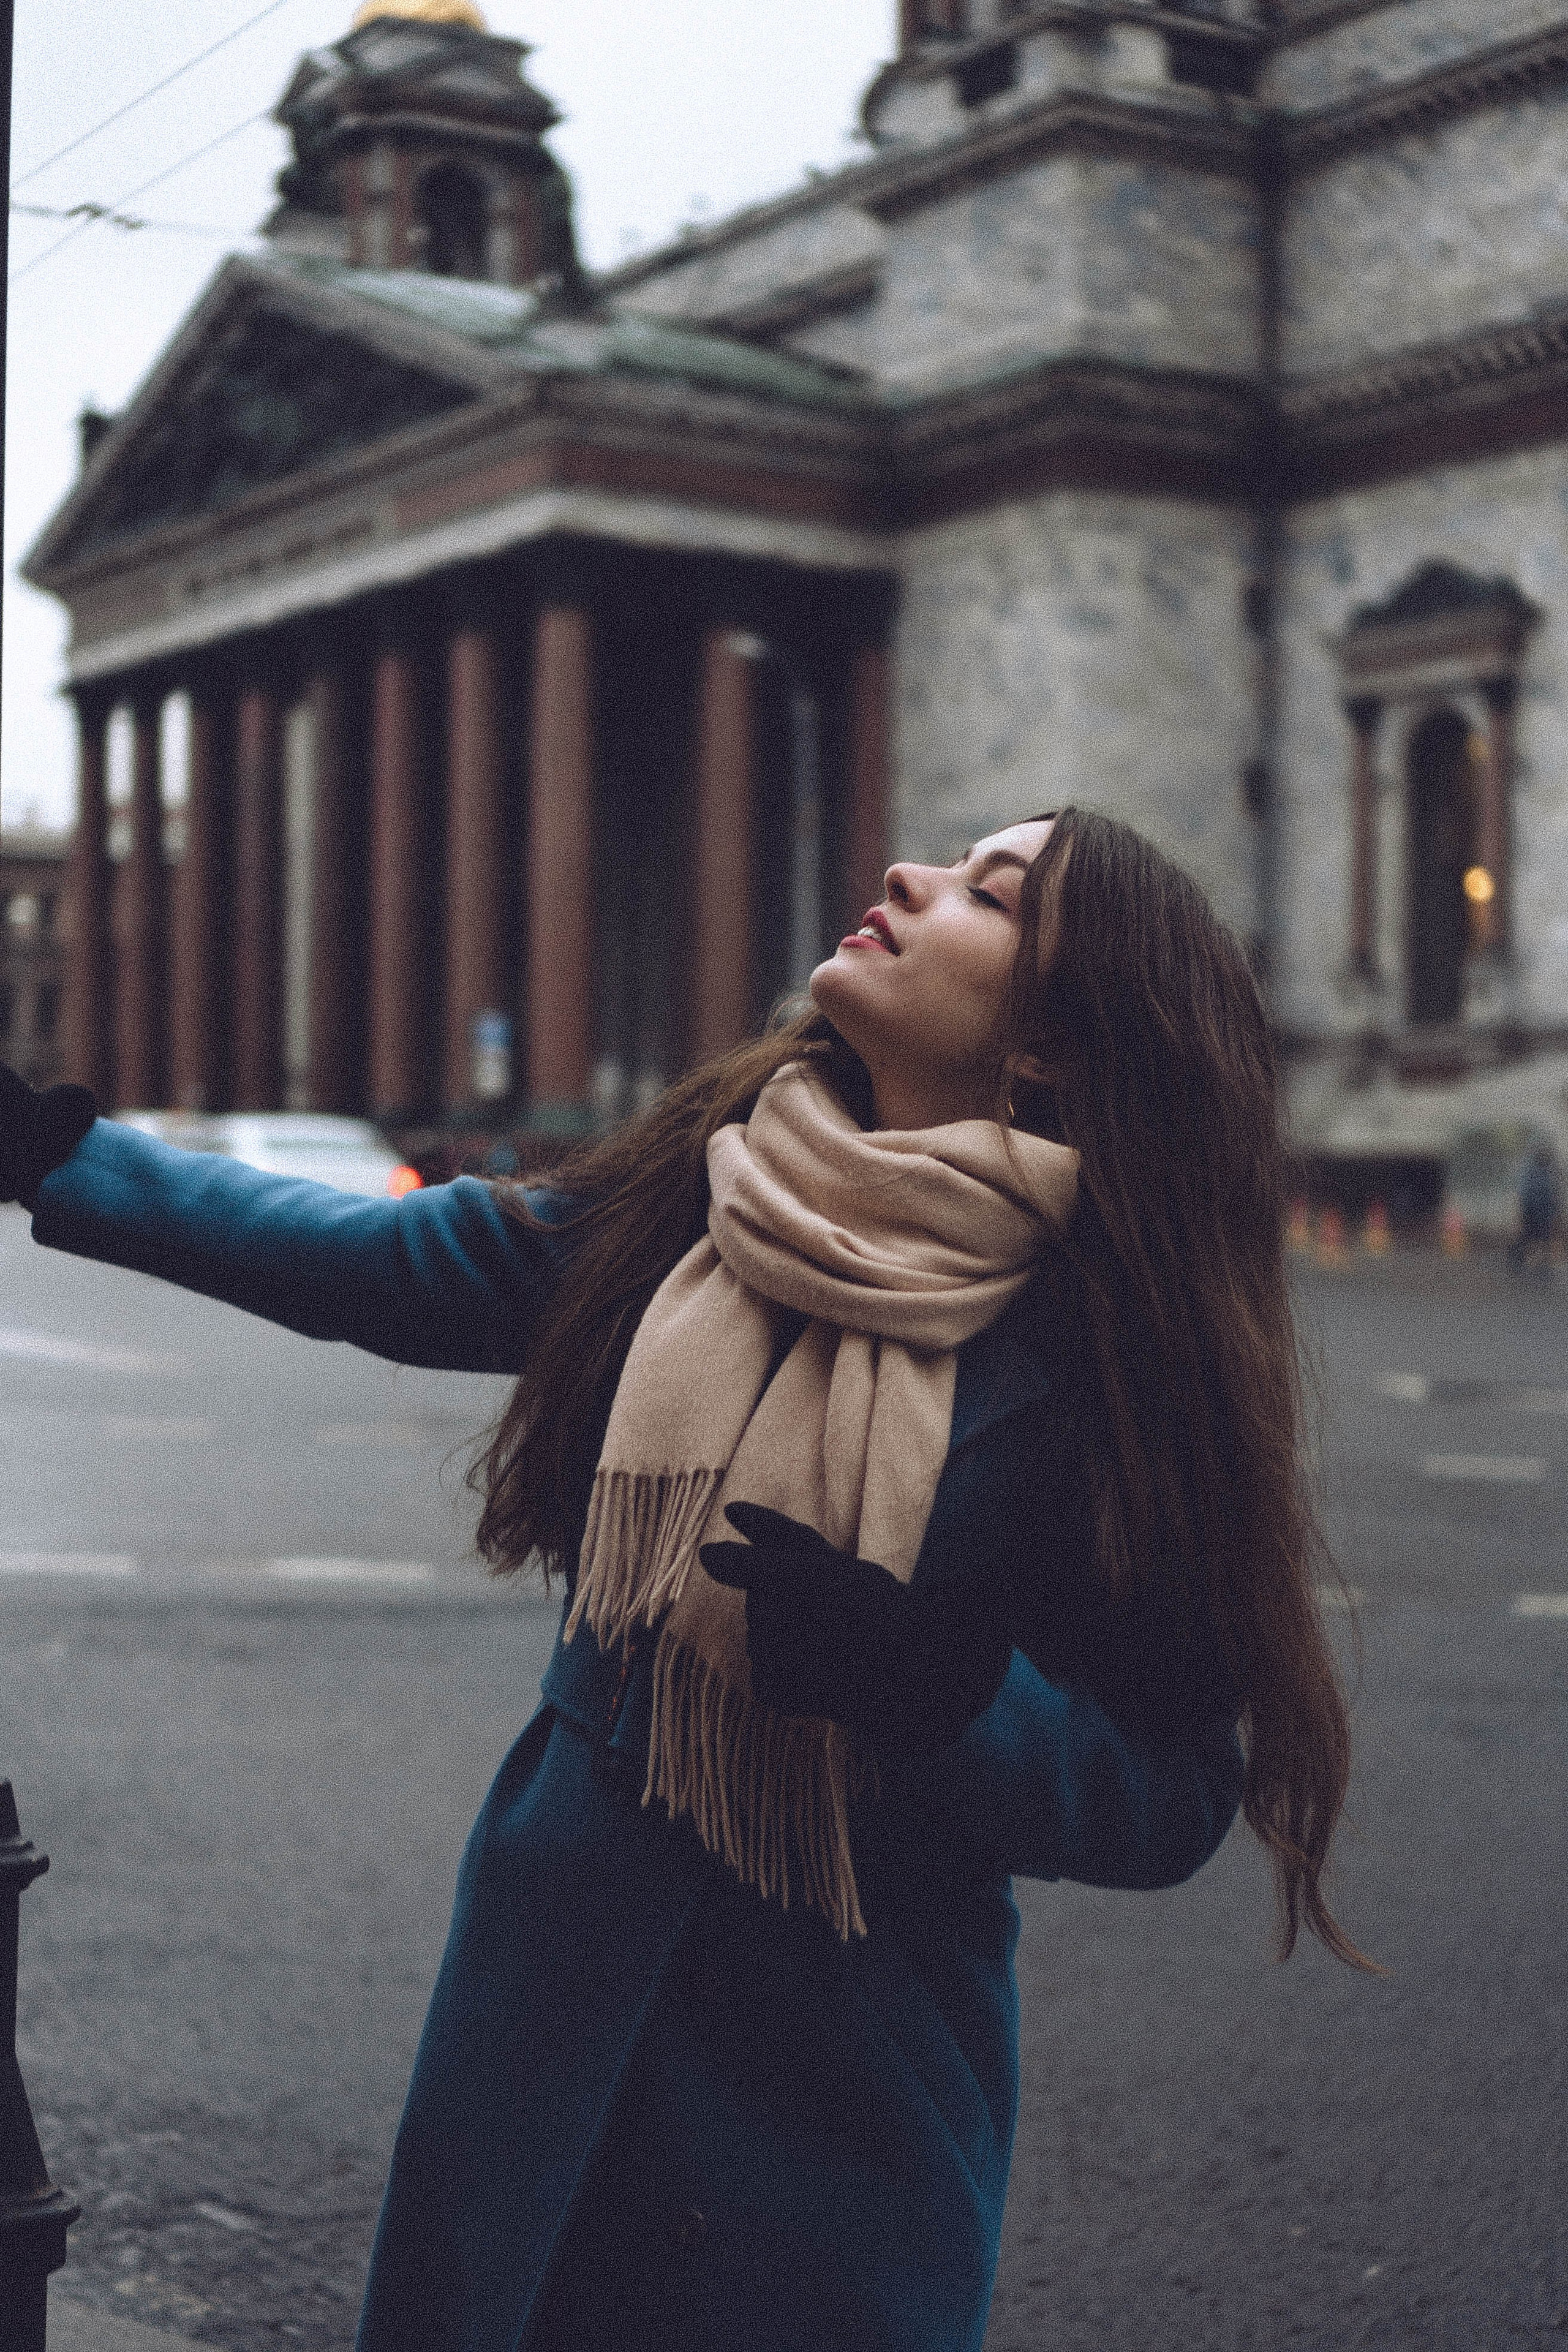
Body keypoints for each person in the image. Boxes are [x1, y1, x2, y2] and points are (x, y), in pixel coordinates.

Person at [0, 807, 1368, 2352]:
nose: (911, 877)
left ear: (1054, 1039)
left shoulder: (1111, 1356)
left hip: (844, 2060)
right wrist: (62, 1154)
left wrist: (951, 1693)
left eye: (993, 893)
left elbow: (1172, 1790)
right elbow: (391, 1264)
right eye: (946, 857)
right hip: (547, 1992)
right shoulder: (701, 1193)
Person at [1509, 1141, 1559, 1280]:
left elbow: (1552, 1197)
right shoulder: (1530, 1173)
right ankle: (1519, 1265)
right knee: (1528, 1240)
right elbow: (1522, 1196)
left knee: (1542, 1242)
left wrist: (1555, 1214)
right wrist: (1519, 1216)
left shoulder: (1547, 1173)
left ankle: (1542, 1269)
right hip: (1531, 1213)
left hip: (1543, 1214)